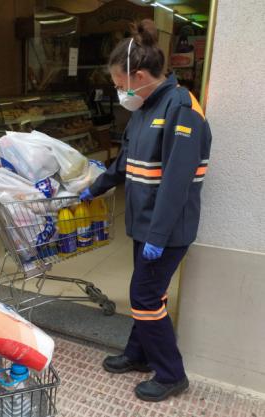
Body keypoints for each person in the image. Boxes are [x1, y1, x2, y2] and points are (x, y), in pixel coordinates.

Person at [80, 20, 212, 402]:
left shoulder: (182, 109)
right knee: (146, 293)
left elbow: (176, 182)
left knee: (144, 295)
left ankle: (172, 373)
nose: (120, 92)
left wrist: (157, 236)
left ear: (138, 75)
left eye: (121, 85)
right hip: (145, 224)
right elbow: (125, 163)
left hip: (167, 230)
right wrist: (95, 187)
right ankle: (139, 354)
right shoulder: (144, 106)